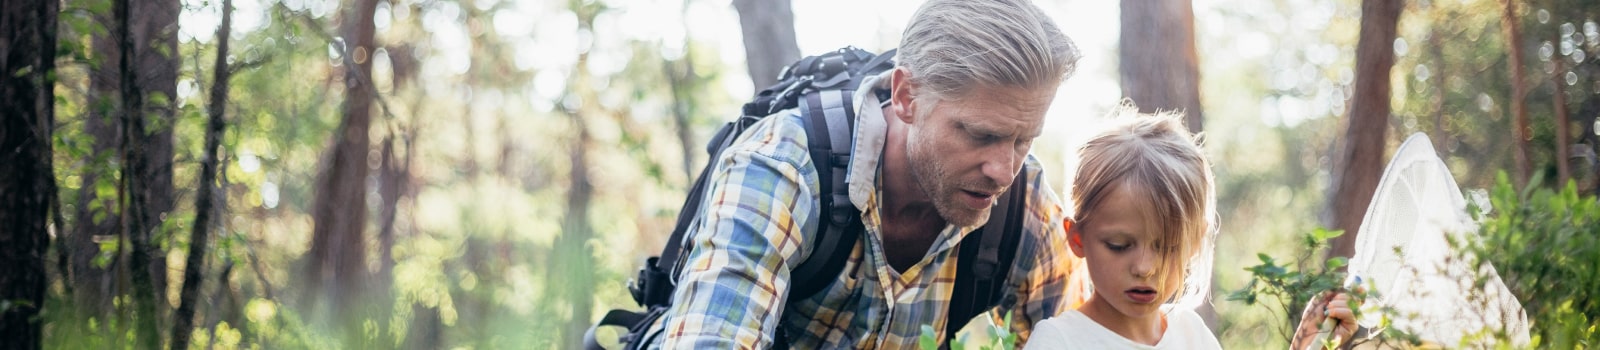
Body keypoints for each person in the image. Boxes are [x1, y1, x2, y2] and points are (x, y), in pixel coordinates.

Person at [645, 0, 1084, 348]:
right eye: (980, 135)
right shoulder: (784, 166)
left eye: (1024, 140)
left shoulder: (1025, 205)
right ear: (906, 96)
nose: (1003, 171)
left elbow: (1081, 337)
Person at [1022, 107, 1223, 349]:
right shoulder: (1058, 341)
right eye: (1119, 246)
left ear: (1195, 243)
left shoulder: (1192, 333)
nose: (1144, 268)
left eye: (1168, 247)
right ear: (1077, 238)